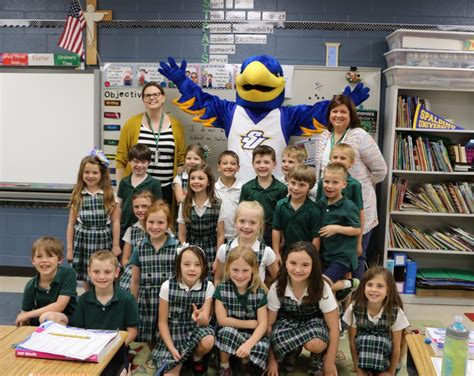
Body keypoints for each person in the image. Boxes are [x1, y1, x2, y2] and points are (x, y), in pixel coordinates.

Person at [314, 95, 387, 279]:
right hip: (330, 207)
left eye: (343, 111)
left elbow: (380, 170)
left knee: (356, 256)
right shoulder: (324, 136)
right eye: (334, 111)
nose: (338, 115)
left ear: (351, 114)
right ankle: (335, 298)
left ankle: (355, 300)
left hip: (357, 205)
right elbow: (319, 171)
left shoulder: (360, 136)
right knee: (332, 256)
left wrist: (360, 185)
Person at [266, 241, 339, 376]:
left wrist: (330, 362)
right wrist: (271, 360)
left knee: (316, 343)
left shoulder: (322, 287)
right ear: (285, 262)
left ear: (314, 266)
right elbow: (269, 325)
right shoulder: (277, 287)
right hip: (287, 322)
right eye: (293, 263)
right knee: (277, 340)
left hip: (314, 322)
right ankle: (292, 351)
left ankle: (318, 357)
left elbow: (334, 327)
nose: (298, 270)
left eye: (305, 265)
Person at [115, 82, 186, 206]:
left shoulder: (176, 126)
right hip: (137, 189)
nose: (152, 98)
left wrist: (178, 189)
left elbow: (180, 160)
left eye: (156, 94)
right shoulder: (131, 124)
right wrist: (120, 191)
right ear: (143, 99)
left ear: (163, 98)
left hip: (167, 189)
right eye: (147, 95)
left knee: (162, 224)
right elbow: (121, 157)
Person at [71, 250, 139, 376]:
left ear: (116, 273)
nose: (101, 277)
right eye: (96, 272)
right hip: (90, 350)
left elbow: (132, 331)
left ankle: (127, 365)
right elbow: (78, 330)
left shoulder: (128, 299)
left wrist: (113, 349)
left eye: (107, 272)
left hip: (116, 351)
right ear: (89, 272)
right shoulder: (83, 300)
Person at [152, 245, 215, 375]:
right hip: (173, 332)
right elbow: (162, 322)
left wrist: (199, 318)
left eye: (197, 265)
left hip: (196, 329)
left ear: (203, 267)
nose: (192, 269)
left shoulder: (208, 286)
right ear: (179, 266)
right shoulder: (167, 286)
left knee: (208, 340)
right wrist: (171, 348)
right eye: (187, 264)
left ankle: (196, 359)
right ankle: (181, 360)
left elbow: (205, 322)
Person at [66, 150, 120, 290]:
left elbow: (115, 222)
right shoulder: (78, 195)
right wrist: (70, 249)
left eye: (95, 172)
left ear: (102, 174)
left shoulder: (109, 195)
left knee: (104, 271)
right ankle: (89, 299)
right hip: (83, 240)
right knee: (87, 273)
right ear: (81, 174)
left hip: (103, 239)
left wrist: (115, 245)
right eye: (87, 172)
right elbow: (71, 224)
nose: (90, 176)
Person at [214, 246, 270, 375]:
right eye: (235, 270)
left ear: (253, 270)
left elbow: (262, 324)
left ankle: (245, 364)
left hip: (252, 335)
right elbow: (222, 320)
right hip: (230, 333)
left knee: (261, 347)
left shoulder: (259, 292)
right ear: (227, 268)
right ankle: (225, 366)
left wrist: (248, 344)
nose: (240, 275)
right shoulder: (222, 289)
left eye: (245, 270)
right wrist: (249, 323)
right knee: (225, 333)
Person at [343, 266, 409, 375]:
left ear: (388, 291)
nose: (374, 289)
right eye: (370, 285)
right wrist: (357, 369)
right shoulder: (354, 309)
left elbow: (397, 348)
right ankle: (364, 369)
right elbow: (352, 343)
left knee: (380, 341)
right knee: (364, 339)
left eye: (380, 286)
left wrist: (390, 372)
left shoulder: (396, 312)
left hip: (386, 364)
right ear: (364, 287)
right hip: (363, 364)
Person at [130, 199, 179, 343]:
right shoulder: (139, 248)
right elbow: (135, 281)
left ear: (168, 224)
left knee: (165, 335)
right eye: (151, 222)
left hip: (169, 300)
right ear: (145, 223)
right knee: (145, 337)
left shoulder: (177, 248)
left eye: (160, 223)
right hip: (146, 300)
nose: (155, 227)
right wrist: (133, 304)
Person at [314, 163, 361, 297]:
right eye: (326, 181)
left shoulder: (349, 206)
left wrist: (337, 228)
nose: (329, 186)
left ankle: (351, 284)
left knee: (322, 284)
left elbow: (357, 229)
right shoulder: (320, 204)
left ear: (344, 185)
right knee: (331, 293)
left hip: (343, 256)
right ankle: (338, 309)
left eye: (335, 182)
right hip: (326, 255)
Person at [316, 143, 364, 261]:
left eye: (343, 158)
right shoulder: (323, 182)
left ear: (351, 163)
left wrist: (359, 242)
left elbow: (360, 214)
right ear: (330, 159)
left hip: (344, 241)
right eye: (335, 157)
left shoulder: (354, 185)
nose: (338, 161)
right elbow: (318, 207)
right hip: (325, 239)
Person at [214, 201, 278, 287]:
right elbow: (218, 278)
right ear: (235, 222)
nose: (246, 226)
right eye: (242, 221)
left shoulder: (267, 252)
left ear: (260, 225)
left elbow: (277, 281)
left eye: (252, 223)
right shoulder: (224, 249)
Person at [16, 237, 76, 326]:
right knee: (42, 318)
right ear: (33, 260)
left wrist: (27, 315)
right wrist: (23, 321)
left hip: (67, 319)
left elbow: (60, 305)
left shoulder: (68, 273)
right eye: (39, 256)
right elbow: (24, 314)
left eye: (50, 256)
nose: (44, 260)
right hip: (41, 320)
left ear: (59, 259)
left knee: (49, 316)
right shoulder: (31, 285)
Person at [177, 164, 225, 276]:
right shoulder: (184, 204)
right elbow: (182, 234)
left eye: (201, 178)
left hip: (211, 249)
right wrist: (184, 253)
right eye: (192, 178)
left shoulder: (217, 204)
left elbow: (220, 235)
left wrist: (217, 259)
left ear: (208, 182)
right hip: (191, 248)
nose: (196, 181)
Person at [239, 145, 288, 246]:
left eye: (266, 162)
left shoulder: (282, 188)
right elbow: (241, 214)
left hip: (273, 232)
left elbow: (283, 216)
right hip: (251, 231)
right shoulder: (247, 188)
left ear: (274, 164)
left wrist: (282, 235)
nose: (262, 166)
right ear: (252, 164)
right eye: (258, 162)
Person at [272, 164, 319, 262]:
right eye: (293, 183)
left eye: (301, 185)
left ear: (310, 187)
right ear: (288, 181)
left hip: (306, 254)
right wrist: (276, 253)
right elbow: (276, 230)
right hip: (286, 252)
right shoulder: (281, 205)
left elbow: (316, 237)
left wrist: (313, 257)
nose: (296, 188)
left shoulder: (314, 210)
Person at [117, 144, 162, 235]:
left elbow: (158, 208)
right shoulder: (124, 182)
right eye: (136, 161)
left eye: (143, 162)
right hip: (124, 228)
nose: (139, 165)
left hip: (145, 229)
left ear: (149, 162)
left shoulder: (155, 183)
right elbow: (119, 206)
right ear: (129, 162)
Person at [119, 190, 156, 291]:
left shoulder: (161, 229)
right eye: (136, 207)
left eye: (145, 206)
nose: (140, 210)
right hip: (135, 271)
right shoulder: (131, 230)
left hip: (155, 271)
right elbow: (125, 259)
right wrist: (133, 269)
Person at [215, 150, 242, 242]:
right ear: (219, 167)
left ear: (238, 168)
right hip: (216, 237)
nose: (229, 166)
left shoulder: (243, 189)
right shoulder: (212, 189)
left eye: (233, 164)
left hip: (237, 238)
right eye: (225, 163)